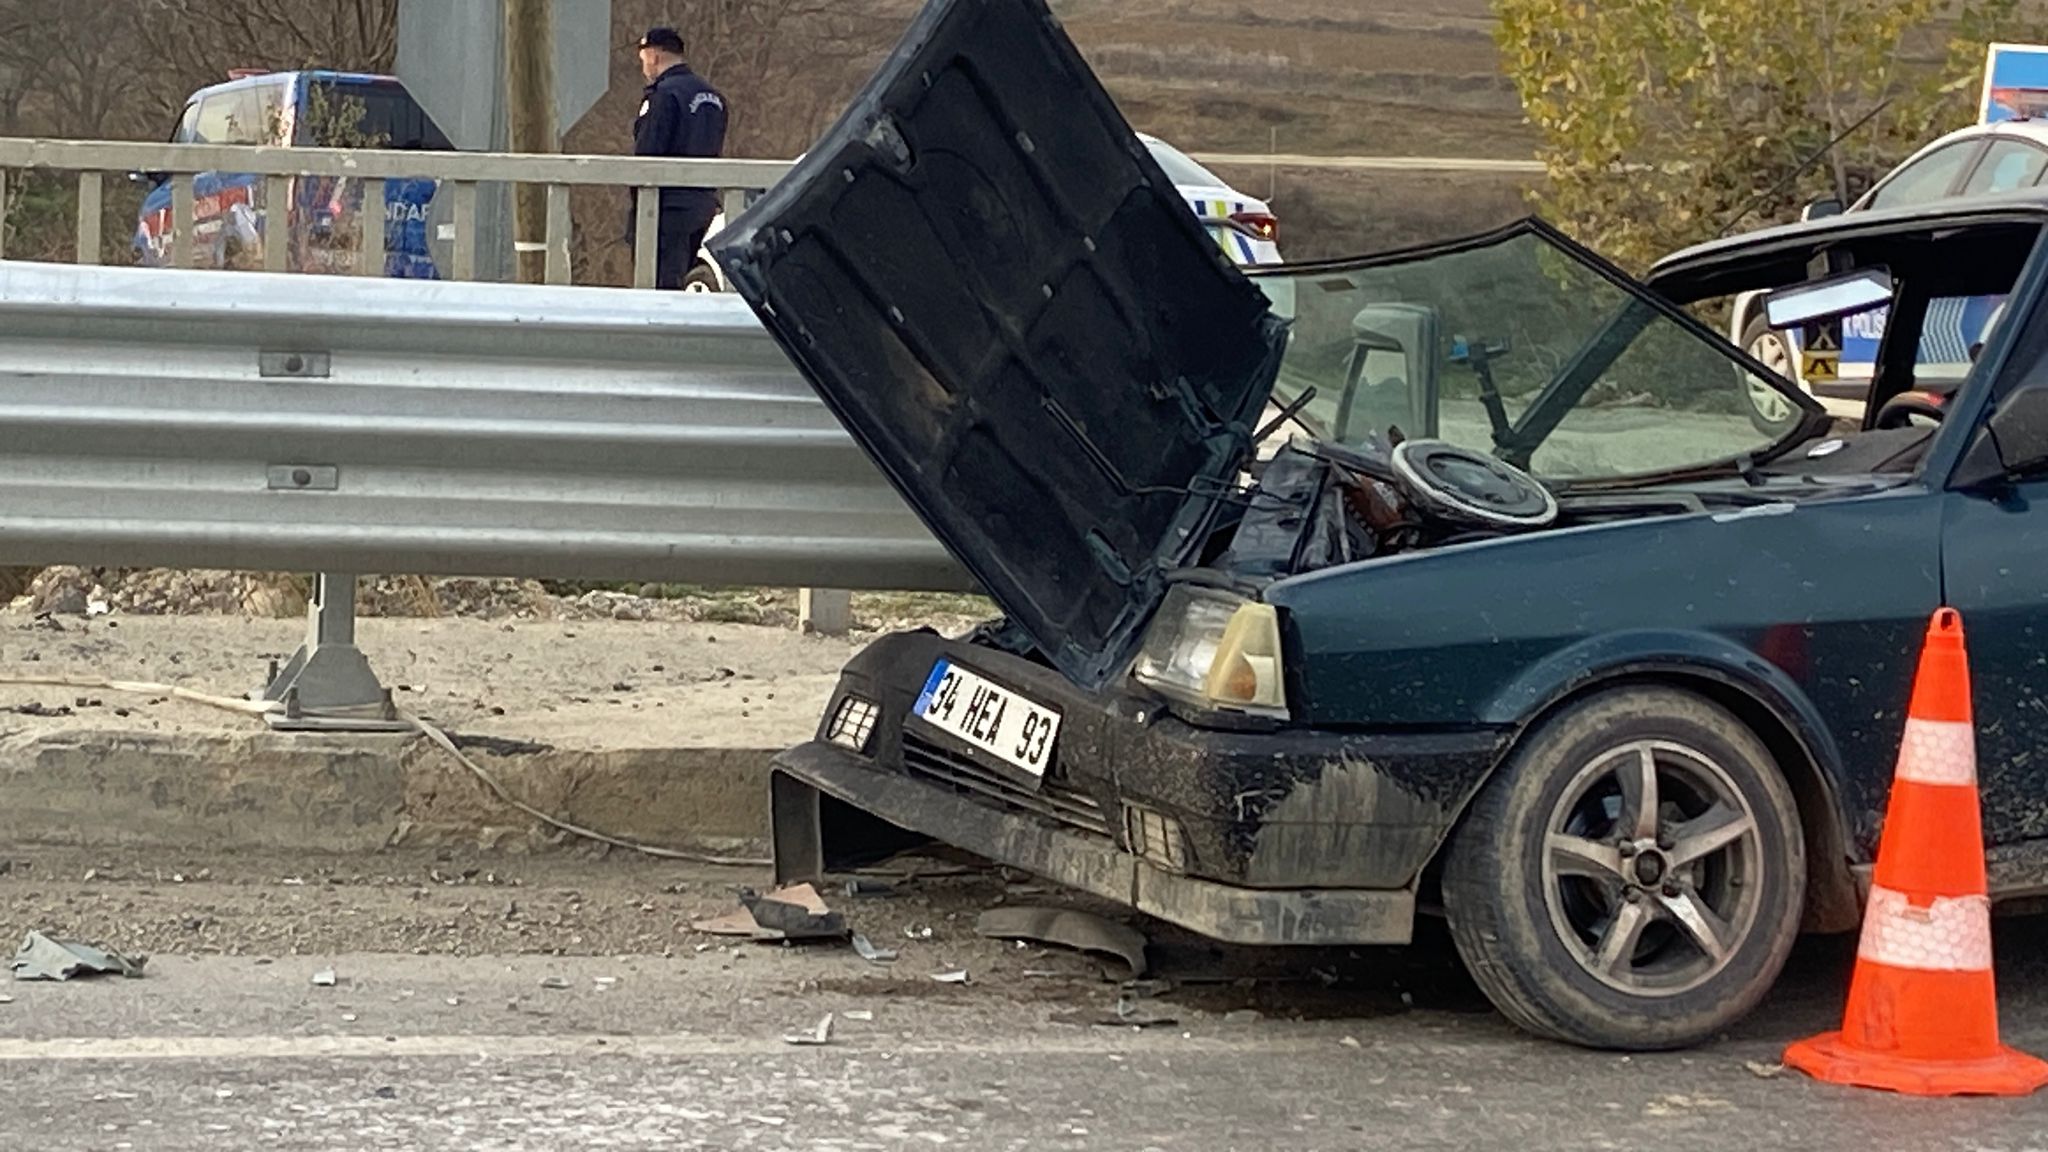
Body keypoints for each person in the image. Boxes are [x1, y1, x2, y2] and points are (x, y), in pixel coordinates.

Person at [630, 26, 728, 290]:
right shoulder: (714, 98)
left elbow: (647, 154)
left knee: (661, 287)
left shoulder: (663, 96)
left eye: (643, 59)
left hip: (666, 208)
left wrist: (638, 205)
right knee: (691, 282)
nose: (644, 67)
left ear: (654, 56)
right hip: (703, 205)